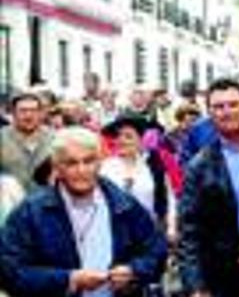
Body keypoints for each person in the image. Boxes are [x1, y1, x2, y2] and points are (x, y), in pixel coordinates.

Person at [0, 126, 167, 297]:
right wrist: (68, 279)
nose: (82, 171)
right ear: (57, 167)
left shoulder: (124, 204)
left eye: (89, 161)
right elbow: (10, 272)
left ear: (100, 162)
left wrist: (133, 271)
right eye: (71, 163)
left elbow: (156, 252)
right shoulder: (31, 211)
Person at [178, 78, 239, 297]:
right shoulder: (199, 166)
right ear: (210, 113)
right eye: (218, 107)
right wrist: (196, 287)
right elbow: (189, 231)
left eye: (233, 104)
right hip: (223, 276)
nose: (226, 112)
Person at [100, 114, 177, 241]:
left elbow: (170, 199)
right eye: (118, 136)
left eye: (128, 136)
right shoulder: (105, 168)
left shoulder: (154, 166)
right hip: (115, 235)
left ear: (140, 140)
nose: (121, 140)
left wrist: (172, 228)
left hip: (150, 233)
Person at [0, 91, 53, 193]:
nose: (28, 115)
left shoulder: (54, 138)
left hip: (46, 202)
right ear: (13, 113)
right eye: (23, 111)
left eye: (33, 110)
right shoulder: (2, 138)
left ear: (41, 113)